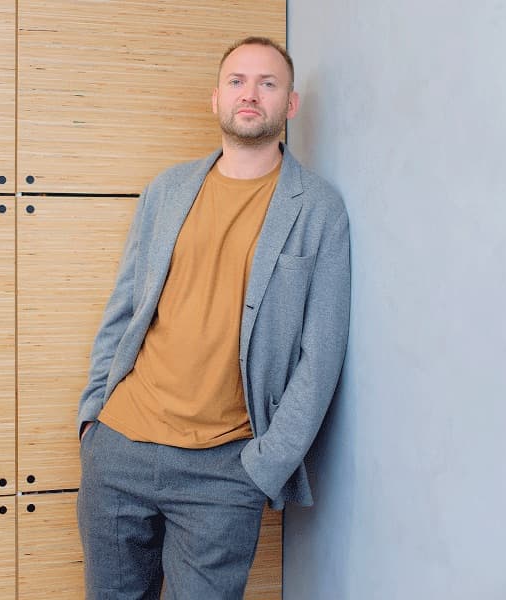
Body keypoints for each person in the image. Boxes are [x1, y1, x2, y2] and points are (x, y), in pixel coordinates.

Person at [76, 36, 350, 600]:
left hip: (226, 468)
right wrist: (93, 420)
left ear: (290, 104)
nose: (250, 94)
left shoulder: (318, 208)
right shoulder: (167, 189)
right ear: (216, 98)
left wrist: (264, 466)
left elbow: (321, 356)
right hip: (120, 448)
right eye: (237, 81)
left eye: (267, 83)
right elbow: (124, 307)